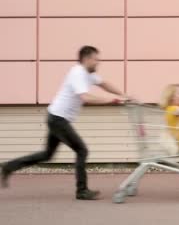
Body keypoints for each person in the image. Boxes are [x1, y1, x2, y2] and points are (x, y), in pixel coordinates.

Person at [1, 46, 128, 200]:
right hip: (58, 119)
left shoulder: (88, 74)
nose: (98, 62)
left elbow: (104, 83)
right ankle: (82, 191)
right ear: (86, 59)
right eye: (96, 59)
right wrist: (112, 100)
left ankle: (8, 167)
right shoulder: (78, 73)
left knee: (47, 155)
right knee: (82, 150)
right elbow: (86, 98)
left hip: (56, 117)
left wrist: (123, 94)